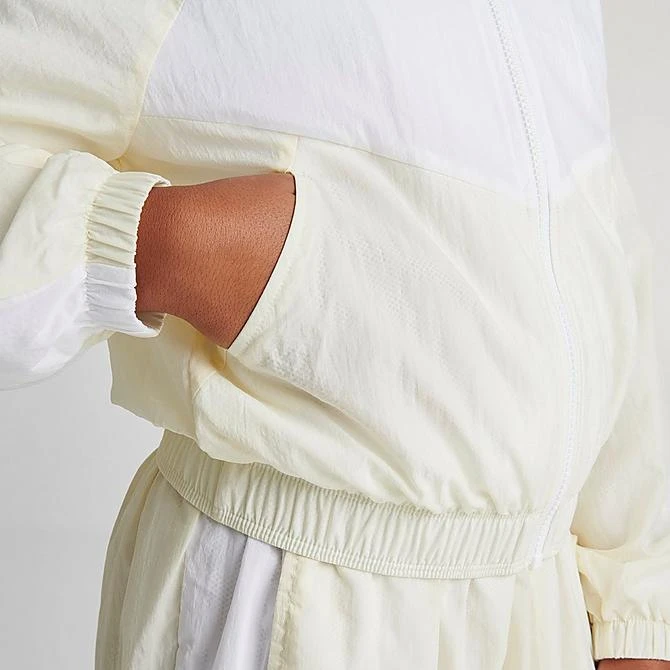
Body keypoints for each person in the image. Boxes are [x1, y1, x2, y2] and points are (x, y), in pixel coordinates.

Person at [1, 1, 669, 669]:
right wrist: (162, 244)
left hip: (540, 604)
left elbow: (597, 259)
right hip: (296, 599)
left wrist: (635, 614)